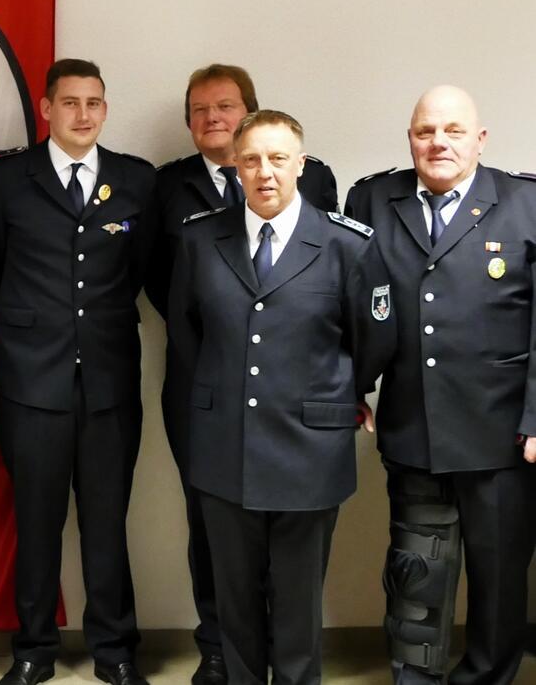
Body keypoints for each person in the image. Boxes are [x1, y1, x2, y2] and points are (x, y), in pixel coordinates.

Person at [168, 110, 388, 685]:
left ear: (301, 164)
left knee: (296, 611)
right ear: (236, 167)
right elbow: (187, 333)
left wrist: (340, 396)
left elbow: (371, 343)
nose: (265, 172)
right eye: (251, 160)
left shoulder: (346, 245)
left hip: (309, 450)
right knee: (234, 606)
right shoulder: (199, 239)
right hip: (225, 448)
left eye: (277, 159)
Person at [145, 63, 338, 685]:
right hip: (208, 389)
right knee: (217, 531)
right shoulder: (170, 187)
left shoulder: (318, 183)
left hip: (297, 402)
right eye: (199, 110)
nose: (213, 119)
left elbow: (338, 293)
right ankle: (219, 650)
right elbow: (172, 295)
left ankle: (289, 662)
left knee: (293, 555)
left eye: (225, 107)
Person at [0, 58, 157, 685]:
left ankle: (115, 652)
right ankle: (33, 651)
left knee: (107, 522)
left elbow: (135, 274)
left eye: (94, 103)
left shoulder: (136, 181)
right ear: (46, 108)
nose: (83, 114)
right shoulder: (5, 182)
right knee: (36, 521)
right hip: (31, 381)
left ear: (105, 110)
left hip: (107, 379)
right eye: (71, 102)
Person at [346, 85, 536, 685]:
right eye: (426, 131)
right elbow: (347, 302)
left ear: (480, 140)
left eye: (454, 131)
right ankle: (416, 676)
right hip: (414, 423)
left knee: (499, 574)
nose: (438, 143)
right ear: (410, 138)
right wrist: (350, 384)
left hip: (501, 432)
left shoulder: (525, 203)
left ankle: (486, 676)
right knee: (415, 567)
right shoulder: (373, 199)